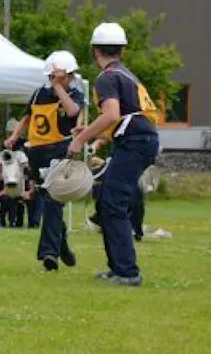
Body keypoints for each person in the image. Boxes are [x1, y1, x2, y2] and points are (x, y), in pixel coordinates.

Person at [68, 22, 160, 287]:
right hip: (140, 139)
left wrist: (80, 140)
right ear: (122, 50)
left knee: (113, 203)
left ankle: (127, 273)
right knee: (107, 199)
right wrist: (92, 132)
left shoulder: (107, 77)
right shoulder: (125, 74)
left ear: (95, 51)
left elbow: (111, 114)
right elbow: (124, 117)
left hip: (135, 143)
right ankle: (117, 267)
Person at [6, 50, 86, 271]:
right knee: (48, 202)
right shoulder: (38, 94)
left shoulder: (75, 95)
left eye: (65, 77)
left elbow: (72, 111)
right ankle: (62, 245)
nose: (64, 81)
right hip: (38, 152)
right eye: (58, 78)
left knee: (53, 200)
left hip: (60, 151)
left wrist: (60, 88)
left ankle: (49, 253)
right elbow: (27, 116)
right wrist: (14, 136)